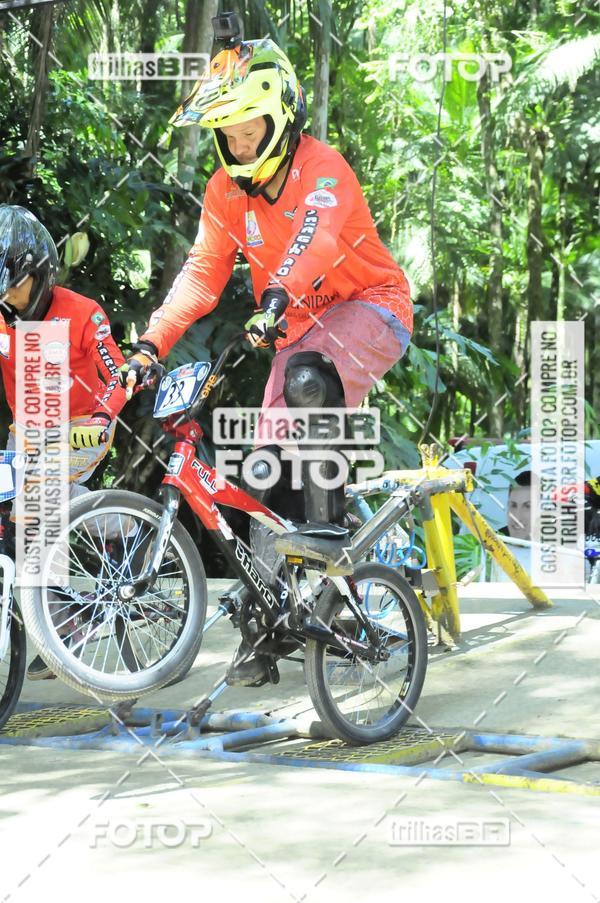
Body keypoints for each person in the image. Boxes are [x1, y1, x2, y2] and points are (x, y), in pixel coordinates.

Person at [121, 33, 413, 685]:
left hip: (372, 307)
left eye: (249, 123)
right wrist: (150, 343)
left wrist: (275, 292)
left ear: (280, 115)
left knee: (310, 375)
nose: (239, 140)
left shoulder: (323, 165)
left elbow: (313, 238)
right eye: (227, 129)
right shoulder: (225, 193)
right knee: (259, 479)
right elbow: (201, 276)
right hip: (295, 333)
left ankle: (329, 529)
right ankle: (271, 625)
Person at [0, 205, 127, 679]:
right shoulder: (2, 316)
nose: (9, 298)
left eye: (15, 284)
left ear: (41, 272)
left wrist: (101, 415)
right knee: (21, 512)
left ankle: (126, 531)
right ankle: (62, 613)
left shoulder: (82, 312)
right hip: (26, 431)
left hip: (82, 425)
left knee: (38, 497)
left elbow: (118, 376)